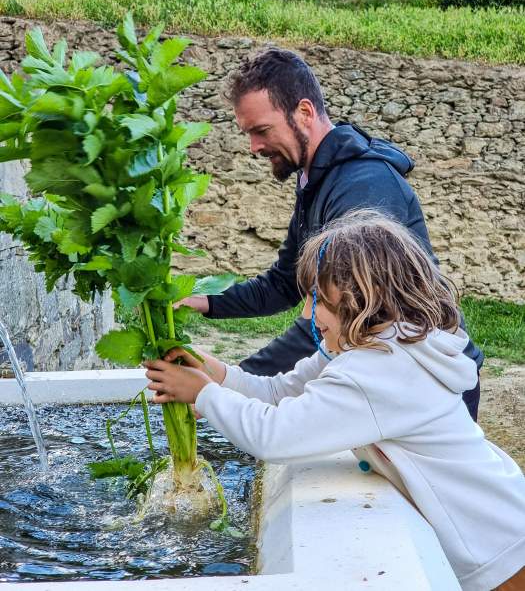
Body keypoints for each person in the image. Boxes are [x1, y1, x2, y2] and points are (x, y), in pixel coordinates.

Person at [146, 210, 525, 591]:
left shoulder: (381, 371)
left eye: (317, 299)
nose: (307, 313)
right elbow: (280, 393)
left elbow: (276, 436)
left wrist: (204, 394)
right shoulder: (372, 343)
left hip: (497, 551)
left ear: (361, 298)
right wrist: (219, 373)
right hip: (502, 521)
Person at [181, 48, 483, 420]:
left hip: (432, 383)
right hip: (385, 372)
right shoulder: (314, 180)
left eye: (261, 130)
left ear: (304, 113)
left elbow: (343, 311)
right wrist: (204, 301)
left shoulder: (363, 188)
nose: (254, 147)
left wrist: (231, 385)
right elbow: (284, 283)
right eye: (248, 134)